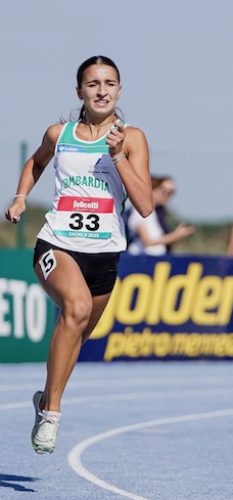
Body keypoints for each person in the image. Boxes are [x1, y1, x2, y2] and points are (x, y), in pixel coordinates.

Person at [4, 56, 152, 454]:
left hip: (104, 255)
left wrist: (119, 155)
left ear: (119, 90)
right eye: (93, 84)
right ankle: (52, 412)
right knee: (77, 306)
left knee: (76, 337)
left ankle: (44, 397)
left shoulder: (133, 138)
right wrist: (20, 197)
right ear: (79, 92)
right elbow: (35, 163)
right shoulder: (60, 133)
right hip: (57, 243)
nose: (101, 90)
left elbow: (145, 206)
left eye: (109, 83)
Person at [127, 175, 194, 255]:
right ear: (152, 190)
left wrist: (177, 237)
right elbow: (147, 241)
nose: (168, 196)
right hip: (142, 261)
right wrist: (175, 235)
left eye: (171, 192)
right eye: (164, 191)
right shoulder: (141, 212)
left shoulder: (158, 214)